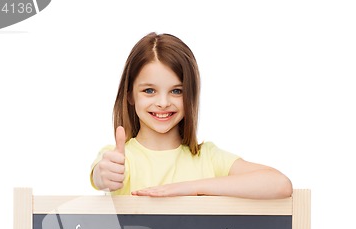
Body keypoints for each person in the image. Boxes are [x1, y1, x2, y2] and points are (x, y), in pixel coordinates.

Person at [90, 32, 292, 199]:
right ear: (130, 96)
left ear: (191, 96)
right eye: (149, 91)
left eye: (177, 91)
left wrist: (189, 188)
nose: (162, 102)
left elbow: (280, 184)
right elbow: (102, 175)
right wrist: (103, 175)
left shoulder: (208, 158)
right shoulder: (121, 159)